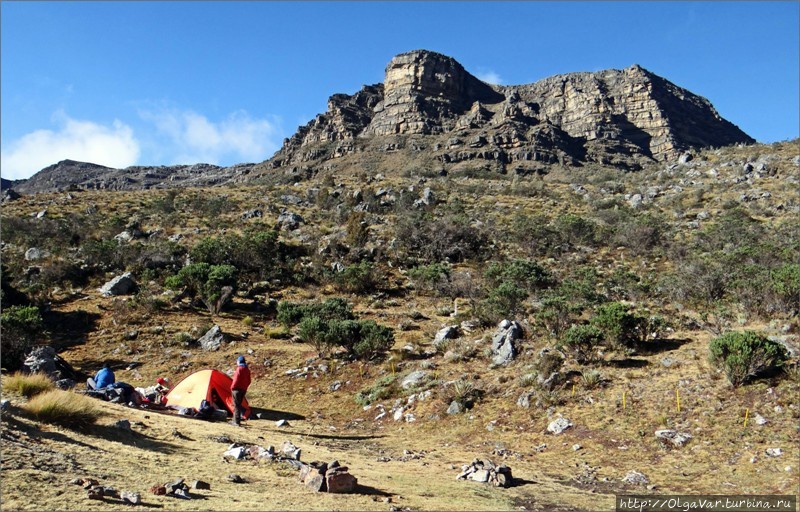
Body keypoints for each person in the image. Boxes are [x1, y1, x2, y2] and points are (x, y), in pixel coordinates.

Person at [230, 355, 251, 426]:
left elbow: (236, 379)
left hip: (236, 389)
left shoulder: (239, 368)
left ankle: (236, 421)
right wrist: (245, 387)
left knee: (236, 405)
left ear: (239, 361)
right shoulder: (247, 369)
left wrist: (232, 387)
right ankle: (235, 420)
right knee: (238, 405)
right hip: (243, 390)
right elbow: (249, 381)